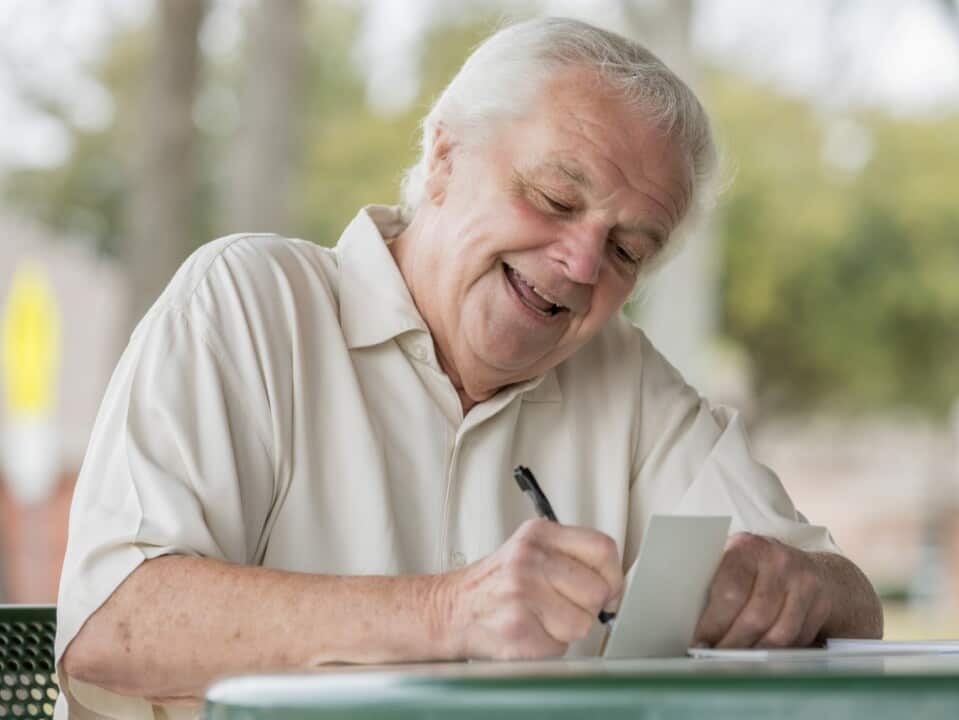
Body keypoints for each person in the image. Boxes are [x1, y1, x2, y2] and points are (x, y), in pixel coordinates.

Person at [53, 16, 882, 719]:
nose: (583, 265)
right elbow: (112, 624)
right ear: (444, 160)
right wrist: (450, 611)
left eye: (628, 250)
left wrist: (796, 583)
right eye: (556, 201)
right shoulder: (249, 300)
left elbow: (851, 601)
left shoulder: (623, 375)